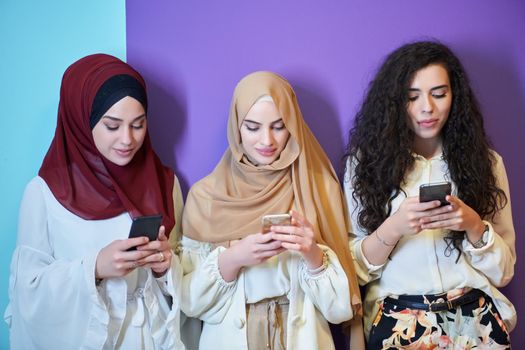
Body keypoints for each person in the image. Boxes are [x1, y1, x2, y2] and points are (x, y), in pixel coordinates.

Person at [4, 54, 186, 349]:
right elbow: (28, 293)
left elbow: (183, 287)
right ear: (81, 120)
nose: (127, 139)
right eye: (112, 126)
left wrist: (165, 267)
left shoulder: (164, 183)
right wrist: (95, 268)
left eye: (138, 125)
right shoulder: (44, 193)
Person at [344, 41, 516, 349]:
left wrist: (474, 225)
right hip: (399, 323)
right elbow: (352, 270)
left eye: (439, 94)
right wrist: (394, 227)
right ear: (395, 102)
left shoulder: (488, 163)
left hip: (473, 320)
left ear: (455, 97)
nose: (428, 107)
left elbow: (504, 272)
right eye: (413, 97)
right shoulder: (364, 165)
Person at [179, 71, 364, 349]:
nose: (267, 141)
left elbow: (340, 309)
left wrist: (312, 254)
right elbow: (190, 304)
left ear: (293, 125)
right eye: (252, 127)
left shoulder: (318, 187)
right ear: (236, 127)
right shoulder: (206, 197)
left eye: (279, 126)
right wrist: (233, 258)